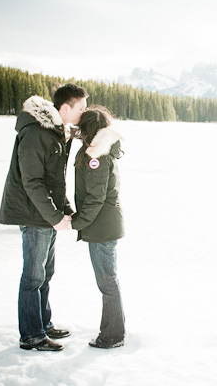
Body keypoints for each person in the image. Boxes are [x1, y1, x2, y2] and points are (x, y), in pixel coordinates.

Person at [0, 84, 88, 351]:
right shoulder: (37, 133)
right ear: (65, 108)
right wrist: (54, 216)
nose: (84, 113)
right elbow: (33, 182)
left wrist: (66, 209)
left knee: (45, 273)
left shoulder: (57, 133)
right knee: (33, 276)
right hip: (34, 214)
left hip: (47, 214)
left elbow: (54, 180)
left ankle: (43, 323)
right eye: (81, 108)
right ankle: (32, 335)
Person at [72, 106, 126, 349]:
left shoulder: (97, 156)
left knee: (107, 282)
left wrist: (77, 222)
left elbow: (96, 197)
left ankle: (113, 335)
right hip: (102, 225)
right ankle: (113, 330)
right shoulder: (97, 151)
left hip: (101, 226)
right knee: (108, 281)